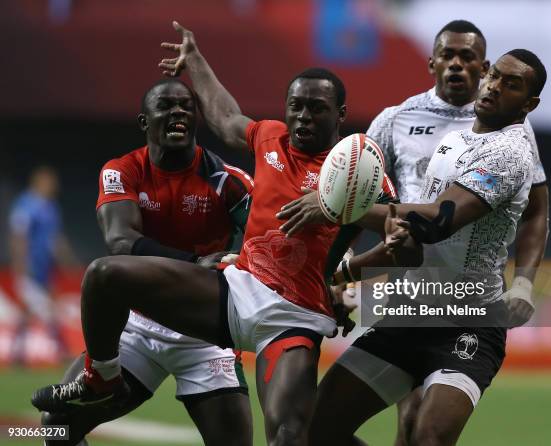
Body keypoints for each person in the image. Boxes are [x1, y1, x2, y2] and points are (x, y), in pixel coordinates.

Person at [31, 22, 397, 446]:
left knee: (289, 436)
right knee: (102, 276)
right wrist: (196, 61)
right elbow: (224, 116)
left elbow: (402, 233)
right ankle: (102, 380)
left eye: (316, 107)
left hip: (293, 317)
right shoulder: (271, 138)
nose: (303, 116)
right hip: (236, 293)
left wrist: (340, 218)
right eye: (296, 105)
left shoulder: (357, 171)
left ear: (340, 114)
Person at [304, 49, 548, 446]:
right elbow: (413, 237)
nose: (495, 86)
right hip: (408, 313)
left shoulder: (511, 153)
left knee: (427, 437)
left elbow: (436, 220)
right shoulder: (455, 141)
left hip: (467, 321)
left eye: (512, 84)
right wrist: (346, 274)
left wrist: (343, 204)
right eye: (496, 76)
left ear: (529, 104)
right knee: (313, 431)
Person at [41, 78, 254, 446]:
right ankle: (104, 374)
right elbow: (120, 242)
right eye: (167, 106)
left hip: (205, 335)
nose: (178, 112)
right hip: (139, 326)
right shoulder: (122, 171)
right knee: (56, 424)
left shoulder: (227, 181)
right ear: (144, 122)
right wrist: (196, 263)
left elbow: (270, 234)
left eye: (187, 106)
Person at [8, 166, 78, 362]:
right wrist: (20, 264)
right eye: (50, 182)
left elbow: (55, 239)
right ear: (39, 182)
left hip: (45, 269)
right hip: (30, 268)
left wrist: (67, 261)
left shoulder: (51, 207)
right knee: (48, 310)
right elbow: (18, 236)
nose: (54, 186)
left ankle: (16, 355)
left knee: (27, 313)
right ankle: (63, 351)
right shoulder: (26, 204)